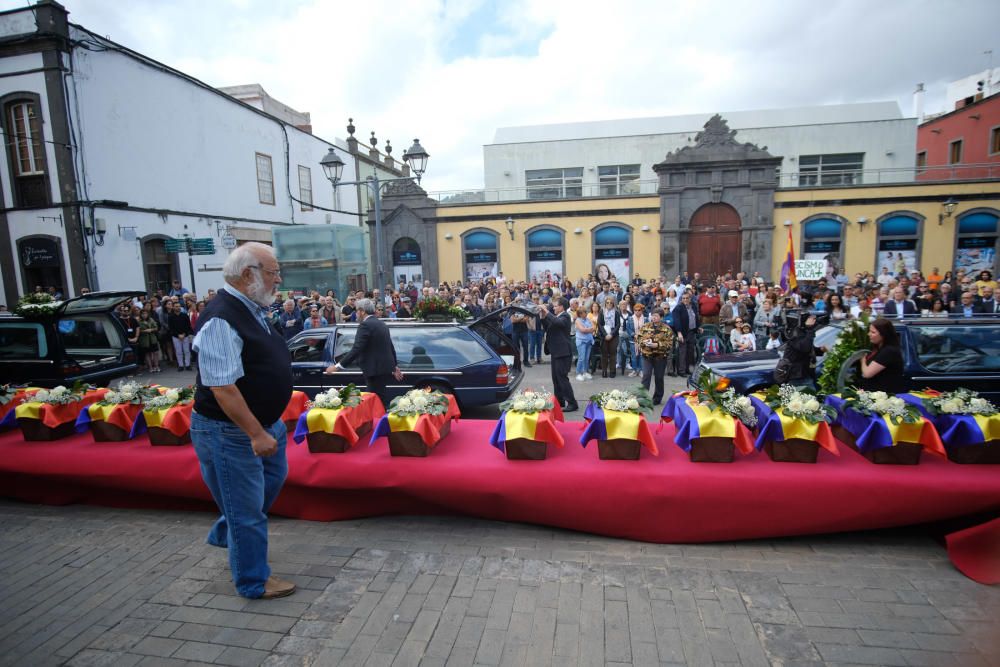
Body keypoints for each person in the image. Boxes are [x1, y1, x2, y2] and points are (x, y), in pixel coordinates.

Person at [190, 242, 295, 600]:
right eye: (273, 271)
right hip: (232, 431)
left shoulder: (251, 307)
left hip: (265, 424)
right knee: (248, 513)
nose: (278, 279)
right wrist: (254, 432)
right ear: (249, 274)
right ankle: (253, 581)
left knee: (269, 484)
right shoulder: (222, 317)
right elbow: (223, 388)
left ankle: (227, 530)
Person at [324, 298, 403, 409]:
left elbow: (357, 349)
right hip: (382, 369)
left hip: (374, 370)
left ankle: (382, 425)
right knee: (379, 401)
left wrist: (337, 367)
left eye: (357, 311)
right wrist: (394, 366)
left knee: (375, 404)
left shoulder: (365, 325)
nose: (356, 314)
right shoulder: (381, 324)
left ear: (362, 311)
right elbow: (390, 346)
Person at [537, 298, 578, 412]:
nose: (553, 308)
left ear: (561, 307)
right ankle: (559, 401)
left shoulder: (565, 316)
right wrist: (542, 316)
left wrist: (547, 311)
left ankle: (572, 403)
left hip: (563, 352)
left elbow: (557, 322)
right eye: (553, 306)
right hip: (556, 352)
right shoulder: (556, 317)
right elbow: (548, 327)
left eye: (555, 306)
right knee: (556, 379)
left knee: (562, 378)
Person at [637, 308, 674, 405]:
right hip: (647, 356)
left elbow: (670, 344)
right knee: (646, 375)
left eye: (656, 316)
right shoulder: (645, 326)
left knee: (659, 377)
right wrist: (643, 342)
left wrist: (657, 345)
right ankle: (642, 398)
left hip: (660, 357)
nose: (654, 318)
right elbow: (638, 338)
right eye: (653, 315)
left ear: (661, 317)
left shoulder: (667, 329)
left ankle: (657, 398)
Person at [859, 318, 905, 393]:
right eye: (869, 331)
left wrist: (863, 360)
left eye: (873, 332)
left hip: (884, 397)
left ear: (883, 334)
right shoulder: (877, 348)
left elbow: (867, 373)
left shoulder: (889, 351)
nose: (869, 334)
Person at [670, 292, 700, 377]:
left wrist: (698, 327)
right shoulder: (678, 308)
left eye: (687, 298)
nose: (685, 300)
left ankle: (687, 370)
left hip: (691, 332)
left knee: (690, 352)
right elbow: (677, 321)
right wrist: (679, 333)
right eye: (683, 298)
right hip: (682, 333)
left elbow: (695, 318)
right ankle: (681, 371)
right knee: (682, 352)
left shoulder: (693, 306)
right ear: (681, 299)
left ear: (690, 299)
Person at [597, 297, 621, 378]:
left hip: (613, 335)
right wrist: (605, 335)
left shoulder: (617, 312)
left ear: (613, 304)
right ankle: (604, 371)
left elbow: (618, 325)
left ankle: (612, 370)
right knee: (604, 354)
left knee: (612, 353)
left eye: (611, 303)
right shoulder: (601, 312)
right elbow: (599, 324)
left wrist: (611, 334)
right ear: (605, 303)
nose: (609, 304)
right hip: (604, 334)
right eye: (607, 302)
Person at [167, 300, 194, 370]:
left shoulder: (185, 316)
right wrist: (178, 335)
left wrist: (184, 334)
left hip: (185, 336)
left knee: (187, 351)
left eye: (179, 306)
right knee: (178, 351)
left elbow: (188, 326)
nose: (178, 308)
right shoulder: (170, 317)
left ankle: (188, 365)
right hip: (176, 336)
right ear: (173, 307)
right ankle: (180, 365)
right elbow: (171, 328)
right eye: (176, 306)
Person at [574, 307, 595, 381]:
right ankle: (578, 373)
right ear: (580, 314)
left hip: (589, 341)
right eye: (584, 312)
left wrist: (587, 329)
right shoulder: (577, 320)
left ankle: (585, 372)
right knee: (581, 358)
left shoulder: (588, 319)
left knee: (586, 358)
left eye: (586, 312)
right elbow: (582, 330)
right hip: (581, 341)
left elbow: (594, 328)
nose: (586, 313)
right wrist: (589, 329)